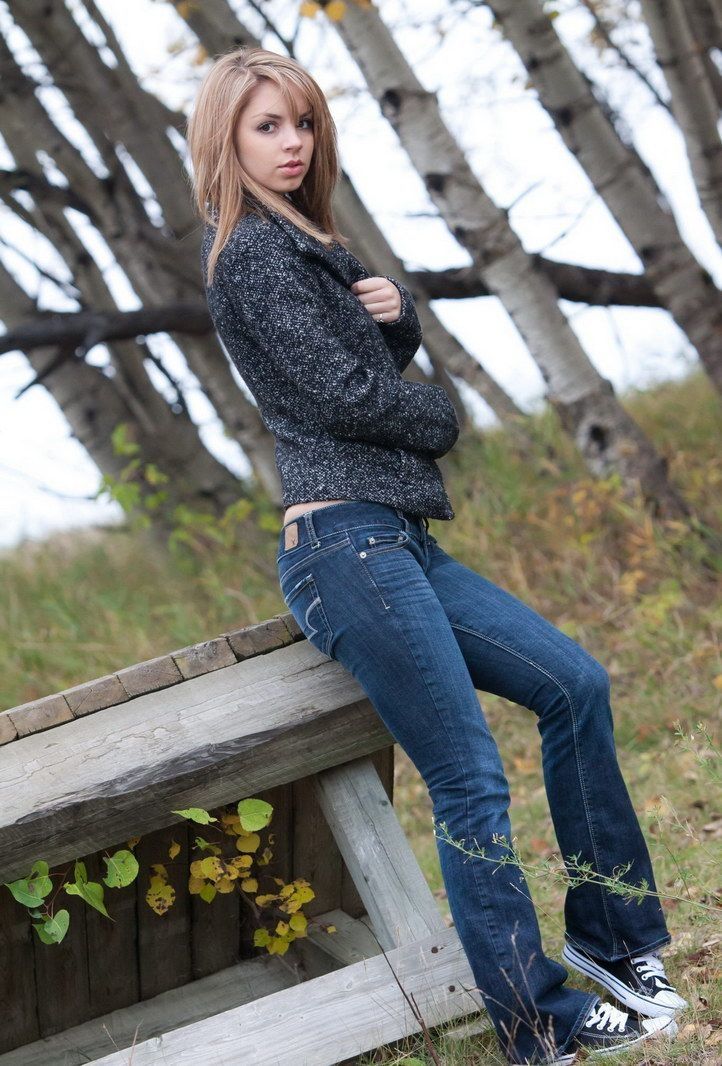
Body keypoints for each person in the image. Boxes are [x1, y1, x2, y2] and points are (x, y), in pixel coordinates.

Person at [188, 45, 687, 1066]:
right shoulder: (251, 254)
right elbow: (345, 404)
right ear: (226, 143)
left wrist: (398, 323)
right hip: (345, 548)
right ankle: (533, 1022)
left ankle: (612, 945)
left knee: (573, 684)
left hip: (394, 539)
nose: (293, 144)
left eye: (303, 123)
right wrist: (437, 409)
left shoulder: (306, 244)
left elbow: (344, 380)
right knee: (465, 776)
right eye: (268, 128)